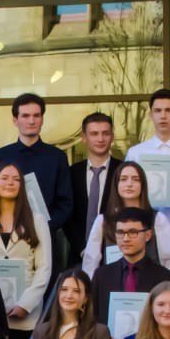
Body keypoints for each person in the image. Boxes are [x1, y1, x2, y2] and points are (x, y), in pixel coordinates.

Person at [0, 162, 52, 339]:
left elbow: (44, 267)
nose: (10, 183)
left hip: (26, 314)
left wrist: (26, 305)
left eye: (16, 179)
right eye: (4, 178)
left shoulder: (37, 221)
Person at [0, 93, 72, 262]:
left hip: (47, 238)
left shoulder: (57, 157)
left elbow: (65, 203)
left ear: (42, 119)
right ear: (15, 120)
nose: (31, 121)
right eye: (25, 115)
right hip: (6, 238)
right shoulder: (0, 157)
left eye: (36, 115)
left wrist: (43, 228)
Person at [80, 162, 170, 283]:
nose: (129, 184)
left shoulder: (157, 220)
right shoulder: (103, 221)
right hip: (111, 293)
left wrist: (166, 295)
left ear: (142, 185)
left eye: (135, 179)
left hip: (151, 294)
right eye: (123, 179)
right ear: (116, 184)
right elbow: (90, 265)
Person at [89, 207, 170, 339]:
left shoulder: (165, 278)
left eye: (132, 232)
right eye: (120, 232)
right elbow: (93, 317)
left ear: (147, 235)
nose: (125, 238)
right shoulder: (102, 275)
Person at [125, 89, 170, 215]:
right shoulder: (135, 153)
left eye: (168, 110)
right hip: (143, 224)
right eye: (158, 111)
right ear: (151, 115)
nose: (163, 116)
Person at [66, 112, 121, 262]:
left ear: (112, 136)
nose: (100, 139)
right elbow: (68, 217)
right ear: (84, 137)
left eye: (105, 133)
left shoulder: (123, 171)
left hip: (115, 255)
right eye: (94, 134)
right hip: (79, 256)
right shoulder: (71, 173)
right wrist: (82, 248)